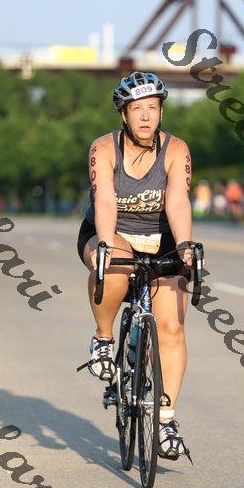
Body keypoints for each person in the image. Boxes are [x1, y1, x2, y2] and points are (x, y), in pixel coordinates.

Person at [76, 71, 196, 461]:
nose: (146, 116)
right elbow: (105, 200)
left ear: (161, 112)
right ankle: (103, 338)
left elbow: (177, 200)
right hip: (112, 232)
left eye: (153, 108)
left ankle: (165, 421)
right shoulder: (104, 147)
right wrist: (105, 242)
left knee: (172, 326)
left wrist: (184, 244)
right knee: (113, 262)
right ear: (124, 114)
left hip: (161, 239)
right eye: (137, 109)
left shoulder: (176, 149)